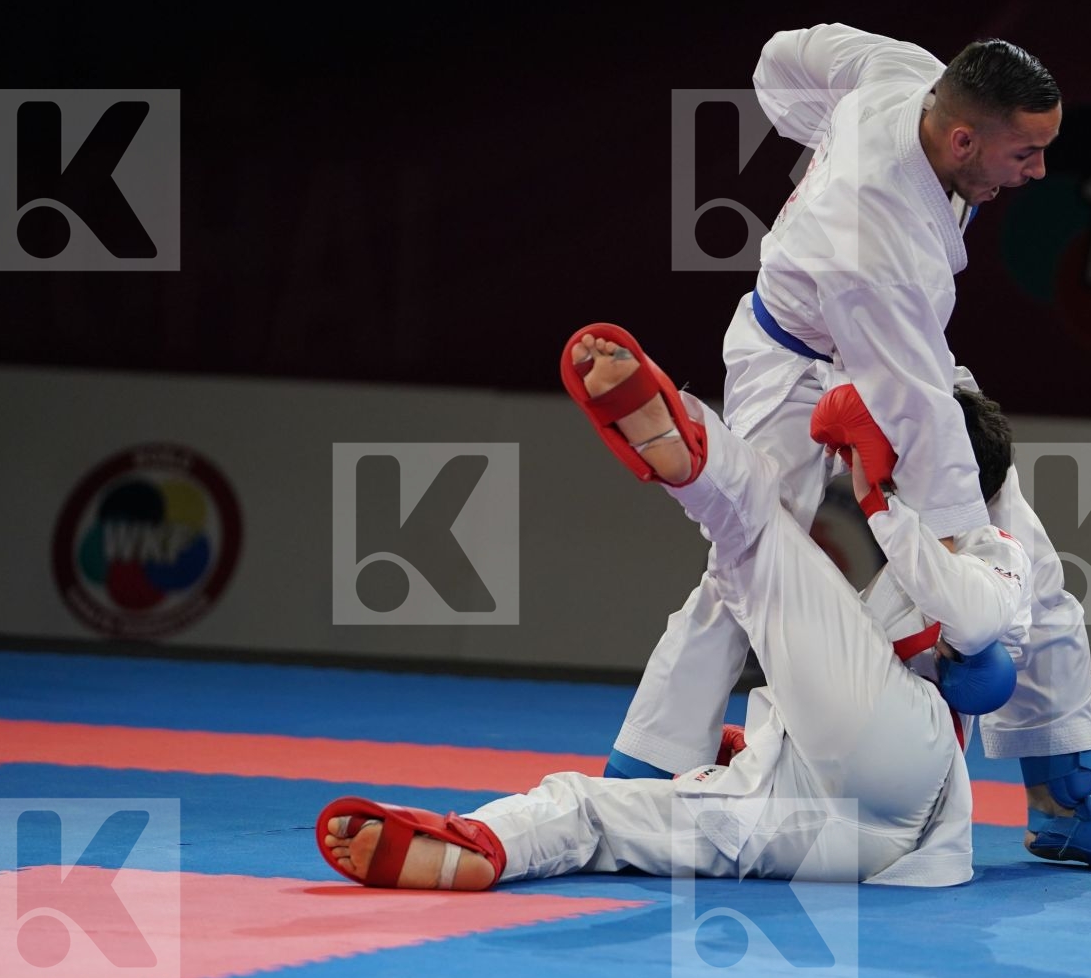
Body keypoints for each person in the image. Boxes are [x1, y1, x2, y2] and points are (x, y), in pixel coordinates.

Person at [607, 22, 1091, 875]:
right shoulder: (878, 228)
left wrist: (816, 140)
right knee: (754, 568)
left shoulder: (903, 75)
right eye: (1025, 154)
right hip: (794, 378)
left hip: (892, 353)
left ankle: (1064, 800)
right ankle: (635, 781)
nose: (1039, 172)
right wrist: (963, 547)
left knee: (1038, 571)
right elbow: (912, 407)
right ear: (963, 138)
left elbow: (780, 55)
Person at [316, 324, 1030, 890]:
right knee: (599, 812)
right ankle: (477, 846)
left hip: (903, 766)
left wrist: (880, 495)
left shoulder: (993, 547)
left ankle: (683, 445)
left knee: (756, 533)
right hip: (845, 836)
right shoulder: (893, 552)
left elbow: (974, 631)